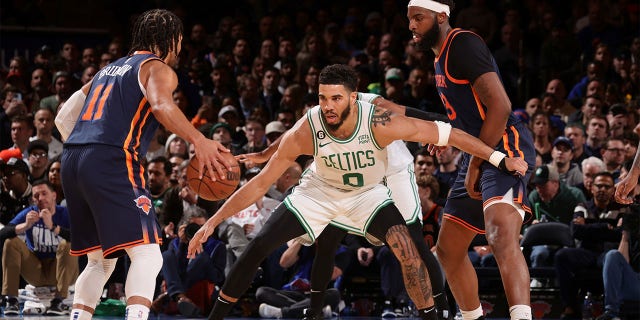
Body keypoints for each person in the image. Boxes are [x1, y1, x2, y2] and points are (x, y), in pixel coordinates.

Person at [188, 64, 527, 320]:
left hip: (368, 193)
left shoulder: (379, 120)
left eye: (336, 98)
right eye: (322, 98)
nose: (328, 106)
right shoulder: (309, 127)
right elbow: (261, 182)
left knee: (410, 250)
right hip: (319, 191)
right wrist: (211, 222)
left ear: (353, 97)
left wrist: (497, 157)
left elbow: (449, 134)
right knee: (260, 244)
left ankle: (431, 314)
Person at [54, 9, 232, 320]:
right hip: (112, 159)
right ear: (170, 40)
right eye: (179, 41)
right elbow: (161, 105)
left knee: (100, 262)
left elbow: (63, 117)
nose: (179, 48)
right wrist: (198, 140)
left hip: (73, 159)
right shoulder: (156, 68)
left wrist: (86, 152)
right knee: (149, 254)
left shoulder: (107, 70)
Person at [407, 2, 537, 320]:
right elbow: (469, 114)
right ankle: (472, 317)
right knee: (449, 251)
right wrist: (447, 136)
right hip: (478, 151)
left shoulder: (462, 43)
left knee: (500, 234)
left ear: (441, 17)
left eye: (418, 18)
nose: (412, 25)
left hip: (505, 147)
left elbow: (501, 105)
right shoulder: (440, 57)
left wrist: (478, 162)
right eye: (409, 19)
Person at [1, 180, 77, 316]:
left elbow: (82, 239)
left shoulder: (65, 213)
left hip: (60, 270)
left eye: (44, 194)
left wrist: (53, 227)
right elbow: (3, 233)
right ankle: (11, 299)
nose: (40, 198)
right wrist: (24, 226)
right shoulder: (30, 213)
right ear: (32, 200)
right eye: (36, 196)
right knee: (10, 242)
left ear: (54, 195)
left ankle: (58, 301)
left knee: (68, 245)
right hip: (36, 271)